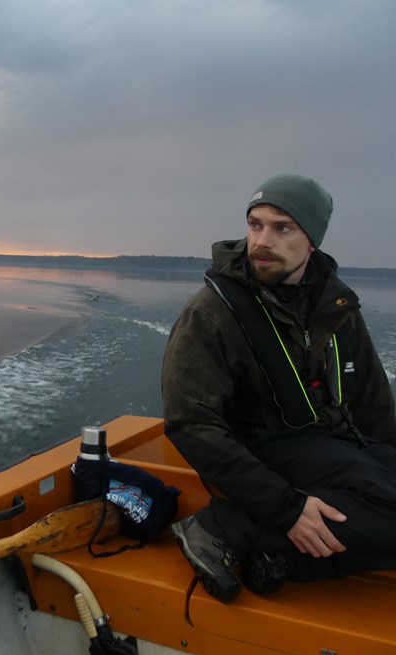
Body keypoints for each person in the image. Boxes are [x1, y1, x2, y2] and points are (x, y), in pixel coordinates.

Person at [161, 173, 396, 603]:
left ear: (312, 240)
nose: (262, 240)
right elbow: (190, 423)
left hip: (334, 446)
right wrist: (284, 508)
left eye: (282, 227)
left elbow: (374, 406)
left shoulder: (337, 307)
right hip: (263, 454)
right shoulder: (212, 312)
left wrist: (383, 470)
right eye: (255, 224)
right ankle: (225, 527)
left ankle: (282, 561)